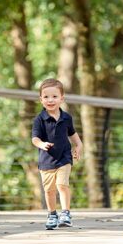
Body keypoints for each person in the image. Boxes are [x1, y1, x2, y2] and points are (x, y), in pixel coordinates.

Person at [31, 78, 82, 230]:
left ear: (62, 98)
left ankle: (65, 213)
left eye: (54, 96)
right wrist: (41, 144)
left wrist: (79, 145)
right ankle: (52, 214)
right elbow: (34, 138)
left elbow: (72, 134)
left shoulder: (67, 117)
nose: (50, 100)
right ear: (41, 100)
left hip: (64, 158)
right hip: (46, 161)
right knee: (49, 190)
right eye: (46, 97)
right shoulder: (39, 119)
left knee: (62, 184)